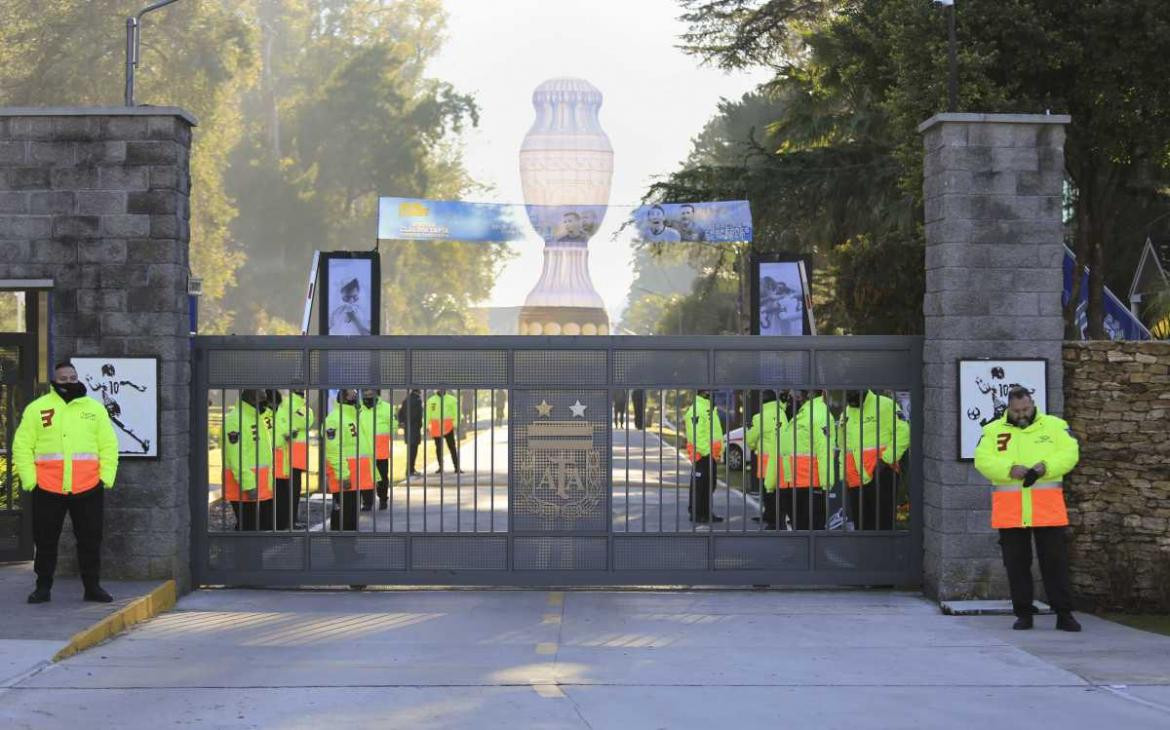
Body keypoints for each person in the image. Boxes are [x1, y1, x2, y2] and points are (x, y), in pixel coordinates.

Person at [974, 386, 1081, 632]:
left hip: (1047, 509)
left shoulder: (1055, 426)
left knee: (1055, 563)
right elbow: (983, 459)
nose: (1022, 415)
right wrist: (1009, 469)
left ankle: (1064, 614)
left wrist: (1046, 467)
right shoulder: (992, 430)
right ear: (1008, 408)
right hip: (1010, 511)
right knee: (1016, 565)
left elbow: (1070, 453)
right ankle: (1023, 614)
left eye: (1025, 409)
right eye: (1016, 411)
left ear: (1032, 404)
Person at [14, 361, 119, 604]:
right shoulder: (37, 409)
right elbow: (22, 446)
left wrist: (106, 477)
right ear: (54, 380)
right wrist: (31, 481)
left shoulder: (94, 409)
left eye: (73, 378)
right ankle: (42, 588)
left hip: (88, 487)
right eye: (63, 379)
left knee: (91, 540)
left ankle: (92, 588)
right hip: (48, 488)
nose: (69, 382)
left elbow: (108, 445)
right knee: (46, 541)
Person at [838, 390, 910, 530]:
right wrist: (843, 473)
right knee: (862, 528)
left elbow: (904, 432)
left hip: (881, 474)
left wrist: (886, 459)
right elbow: (843, 447)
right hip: (855, 479)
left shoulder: (885, 405)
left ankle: (885, 552)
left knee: (882, 527)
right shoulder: (845, 414)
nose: (848, 395)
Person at [778, 390, 836, 530]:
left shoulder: (818, 413)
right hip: (796, 483)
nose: (794, 396)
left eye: (798, 393)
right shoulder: (804, 412)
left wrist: (826, 483)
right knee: (801, 528)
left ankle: (810, 551)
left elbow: (824, 450)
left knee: (811, 529)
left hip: (811, 485)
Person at [221, 389, 275, 534]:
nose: (264, 391)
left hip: (261, 487)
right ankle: (244, 557)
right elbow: (236, 456)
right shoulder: (235, 419)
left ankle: (249, 557)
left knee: (259, 530)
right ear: (249, 392)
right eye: (260, 388)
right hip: (247, 488)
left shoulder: (256, 416)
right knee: (249, 532)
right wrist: (248, 485)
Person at [322, 389, 374, 531]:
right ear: (344, 398)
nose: (357, 397)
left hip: (354, 478)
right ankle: (341, 548)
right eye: (353, 395)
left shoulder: (353, 418)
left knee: (352, 514)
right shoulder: (334, 419)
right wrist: (343, 475)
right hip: (344, 477)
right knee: (342, 515)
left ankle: (350, 547)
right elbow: (333, 451)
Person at [746, 389, 788, 529]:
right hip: (782, 458)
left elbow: (750, 438)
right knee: (778, 491)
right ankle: (775, 518)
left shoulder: (760, 418)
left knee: (768, 491)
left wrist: (753, 445)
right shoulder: (782, 413)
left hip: (766, 460)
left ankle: (773, 521)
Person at [273, 388, 314, 529]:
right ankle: (288, 521)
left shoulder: (301, 407)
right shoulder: (288, 405)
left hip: (295, 454)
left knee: (293, 491)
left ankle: (291, 520)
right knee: (289, 491)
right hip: (289, 454)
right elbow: (302, 422)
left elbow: (307, 422)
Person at [684, 389, 724, 523]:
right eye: (710, 392)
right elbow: (695, 434)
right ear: (704, 393)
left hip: (710, 454)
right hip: (702, 454)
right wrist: (707, 452)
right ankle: (696, 513)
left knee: (709, 485)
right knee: (699, 485)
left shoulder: (709, 409)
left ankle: (706, 513)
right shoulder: (697, 409)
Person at [361, 388, 397, 511]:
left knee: (382, 477)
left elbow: (394, 426)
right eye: (365, 394)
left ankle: (382, 499)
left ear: (376, 394)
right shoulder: (357, 409)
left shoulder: (387, 408)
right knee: (365, 477)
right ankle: (367, 502)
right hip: (363, 451)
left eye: (370, 393)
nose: (368, 396)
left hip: (380, 450)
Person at [426, 389, 461, 473]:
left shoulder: (452, 400)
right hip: (436, 427)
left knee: (452, 447)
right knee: (439, 448)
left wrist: (455, 424)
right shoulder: (431, 401)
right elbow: (428, 413)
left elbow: (456, 412)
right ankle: (440, 467)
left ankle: (457, 467)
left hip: (448, 426)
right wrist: (426, 426)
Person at [398, 389, 423, 476]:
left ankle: (409, 469)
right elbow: (419, 415)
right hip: (415, 428)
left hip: (408, 428)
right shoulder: (418, 401)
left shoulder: (406, 400)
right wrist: (420, 425)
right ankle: (410, 470)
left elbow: (400, 413)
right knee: (413, 450)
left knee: (410, 450)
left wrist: (402, 422)